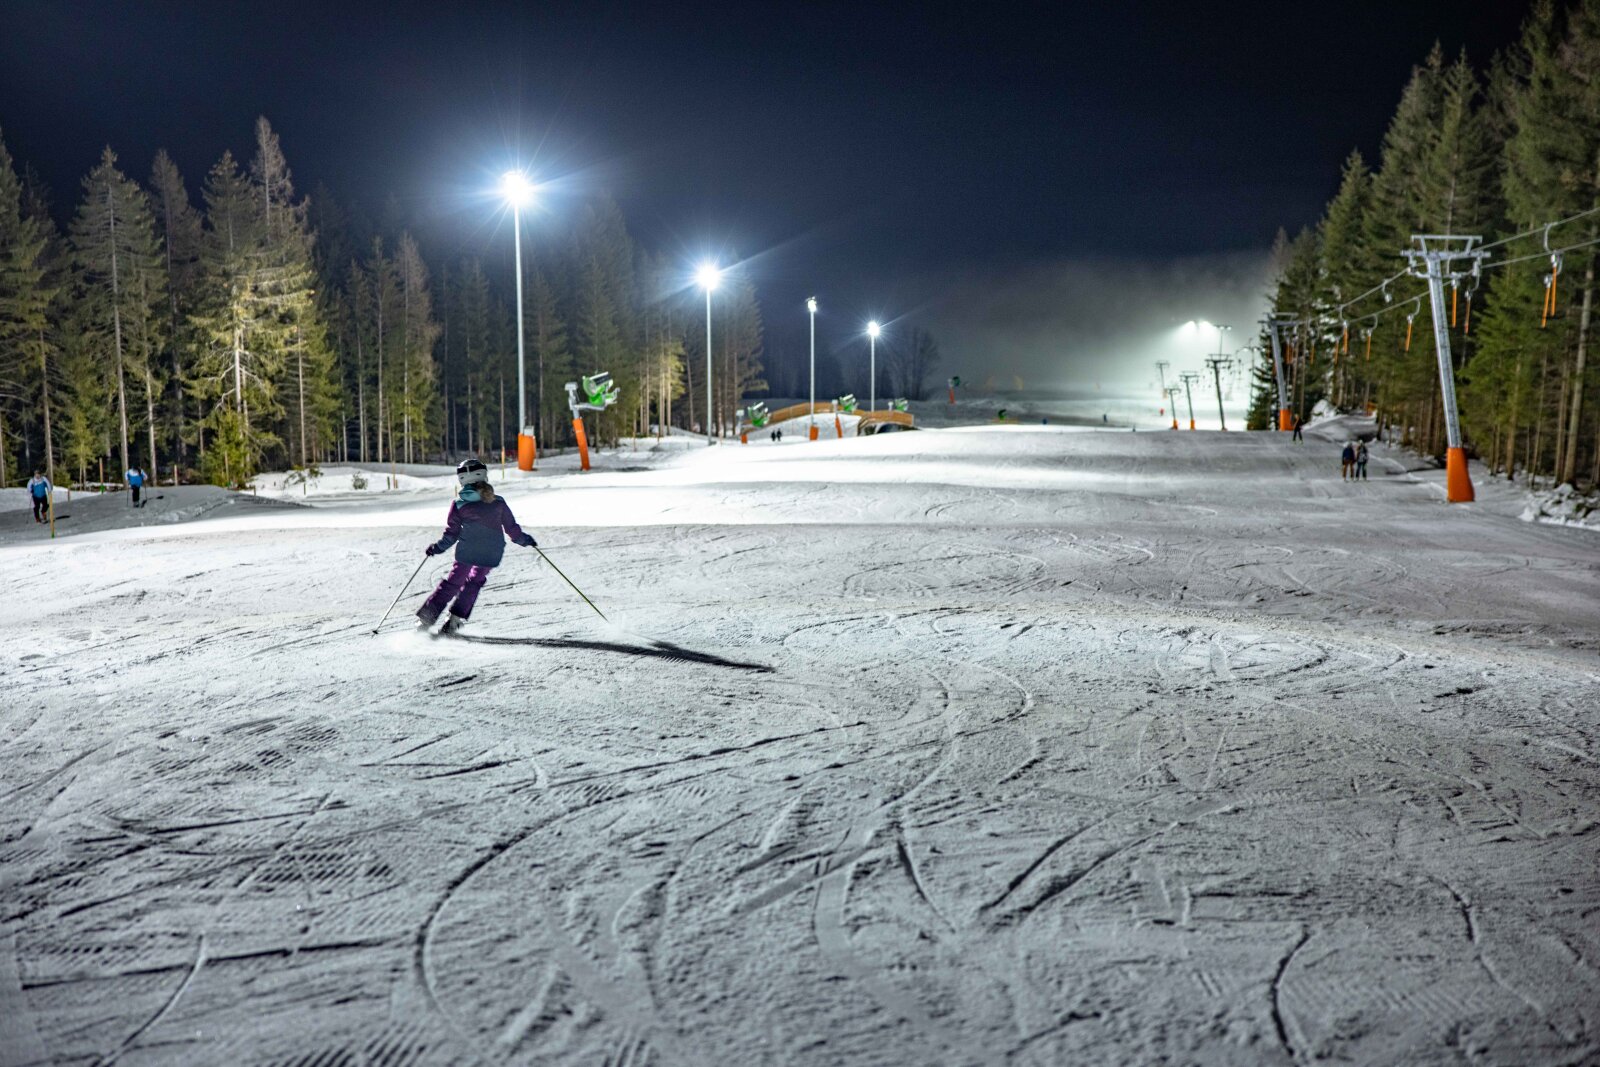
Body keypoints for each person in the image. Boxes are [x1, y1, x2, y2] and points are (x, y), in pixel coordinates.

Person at [417, 458, 537, 635]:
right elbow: (512, 529)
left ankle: (427, 619)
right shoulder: (498, 502)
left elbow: (451, 534)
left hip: (468, 551)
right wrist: (524, 540)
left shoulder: (459, 504)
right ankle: (454, 621)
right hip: (491, 552)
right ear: (484, 476)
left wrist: (437, 548)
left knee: (454, 582)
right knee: (474, 582)